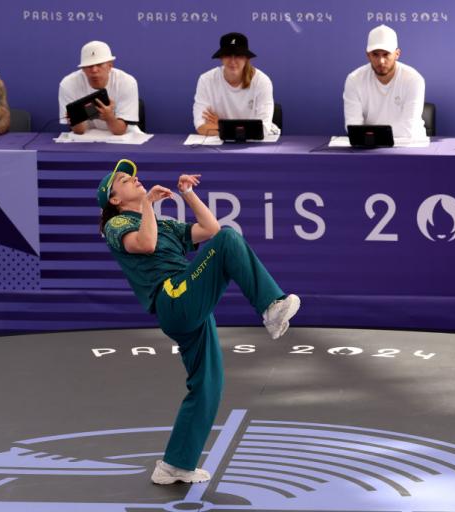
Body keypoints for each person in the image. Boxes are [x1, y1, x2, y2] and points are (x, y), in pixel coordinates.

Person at [97, 159, 300, 484]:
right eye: (124, 179)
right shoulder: (116, 225)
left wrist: (188, 194)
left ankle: (176, 464)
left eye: (133, 176)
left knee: (208, 385)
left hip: (188, 299)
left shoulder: (163, 224)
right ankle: (271, 306)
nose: (134, 179)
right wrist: (148, 204)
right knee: (231, 241)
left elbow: (210, 230)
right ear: (115, 200)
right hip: (173, 297)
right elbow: (146, 244)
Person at [343, 24, 426, 140]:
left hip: (409, 146)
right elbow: (352, 126)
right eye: (375, 55)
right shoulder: (354, 79)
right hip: (369, 147)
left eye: (386, 54)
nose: (381, 61)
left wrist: (371, 136)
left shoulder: (414, 79)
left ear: (397, 54)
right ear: (368, 55)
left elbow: (408, 127)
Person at [193, 32, 279, 136]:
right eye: (228, 55)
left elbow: (263, 129)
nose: (233, 61)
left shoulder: (262, 81)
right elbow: (201, 127)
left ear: (246, 58)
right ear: (221, 58)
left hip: (255, 146)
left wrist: (221, 125)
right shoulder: (206, 80)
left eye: (238, 55)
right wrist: (239, 129)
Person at [59, 41, 139, 135]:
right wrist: (75, 119)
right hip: (87, 137)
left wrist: (109, 118)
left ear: (110, 66)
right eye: (89, 66)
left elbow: (120, 131)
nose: (94, 70)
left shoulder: (127, 82)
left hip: (123, 137)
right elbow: (79, 131)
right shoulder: (68, 84)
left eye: (100, 64)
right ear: (83, 69)